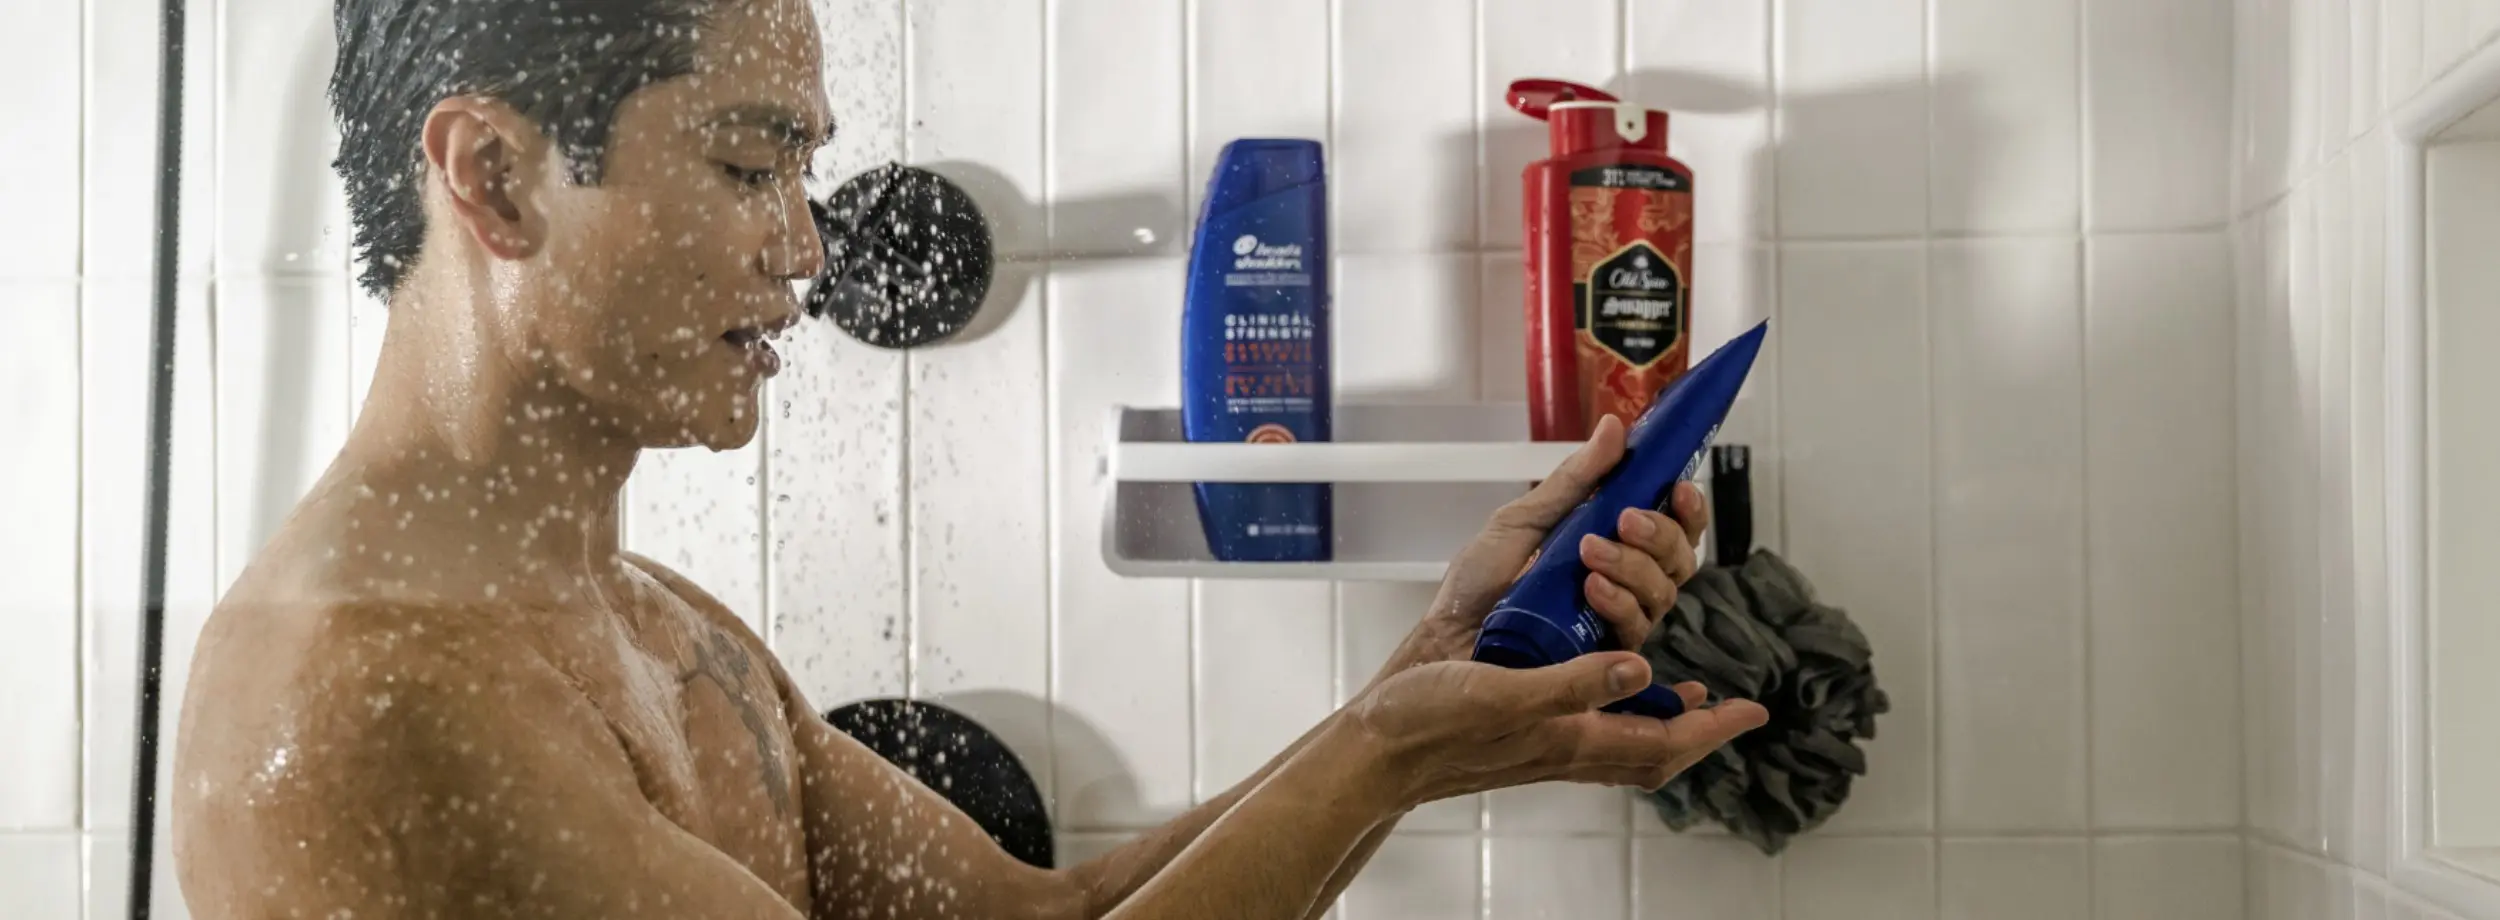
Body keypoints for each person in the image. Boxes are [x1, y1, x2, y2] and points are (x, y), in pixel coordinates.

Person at [167, 0, 1770, 916]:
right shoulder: (375, 712)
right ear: (498, 177)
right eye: (746, 162)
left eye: (804, 172)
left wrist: (1428, 682)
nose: (804, 246)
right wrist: (1395, 759)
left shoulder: (641, 615)